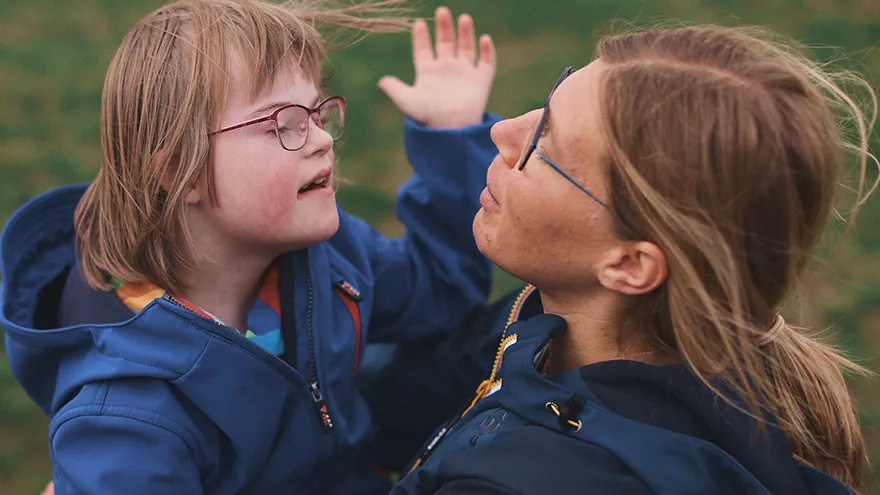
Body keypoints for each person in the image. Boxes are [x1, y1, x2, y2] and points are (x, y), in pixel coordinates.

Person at [0, 1, 500, 493]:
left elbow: (438, 289)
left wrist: (453, 134)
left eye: (318, 113)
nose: (322, 140)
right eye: (282, 123)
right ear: (179, 172)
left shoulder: (325, 256)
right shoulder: (126, 420)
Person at [387, 24, 878, 494]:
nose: (502, 132)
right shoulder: (549, 319)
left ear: (630, 266)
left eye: (544, 145)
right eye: (546, 104)